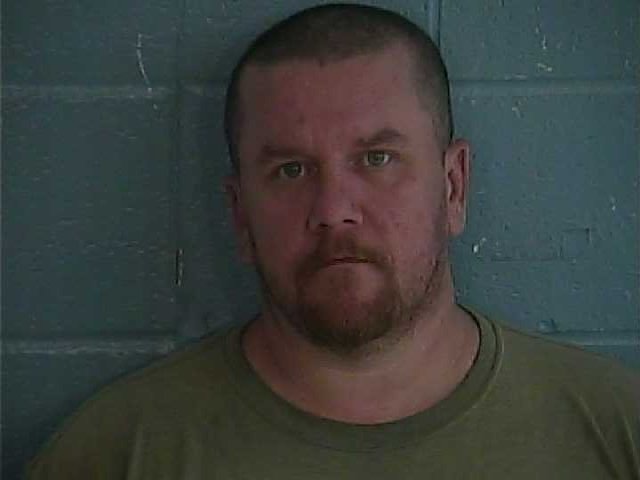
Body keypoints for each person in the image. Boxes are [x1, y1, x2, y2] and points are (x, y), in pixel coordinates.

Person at [28, 4, 639, 479]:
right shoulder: (116, 455)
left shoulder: (615, 432)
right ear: (240, 215)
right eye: (290, 170)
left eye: (377, 159)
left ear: (453, 187)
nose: (333, 211)